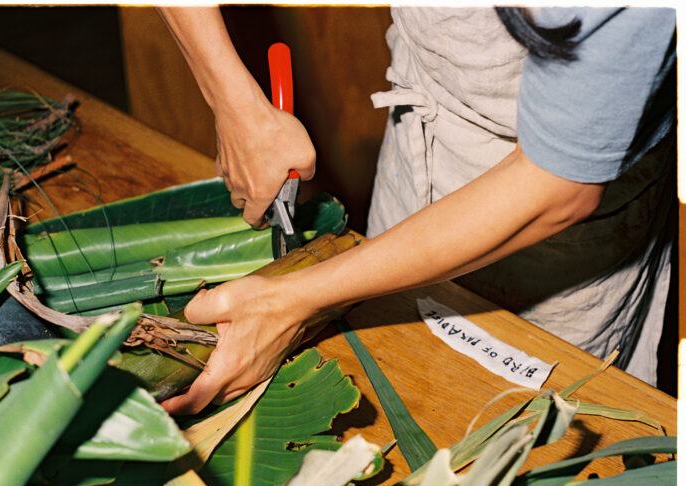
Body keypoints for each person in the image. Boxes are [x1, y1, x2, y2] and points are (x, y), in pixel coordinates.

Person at [156, 6, 676, 415]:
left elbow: (559, 187)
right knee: (392, 369)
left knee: (528, 422)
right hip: (423, 123)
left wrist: (292, 301)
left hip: (560, 229)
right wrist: (232, 100)